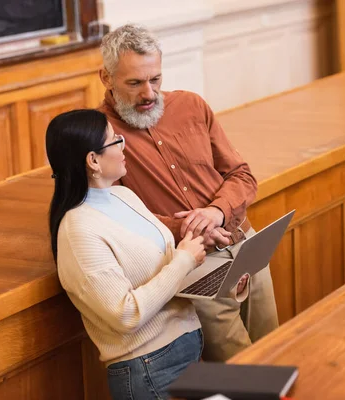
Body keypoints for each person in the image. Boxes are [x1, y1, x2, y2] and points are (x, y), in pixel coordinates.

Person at [96, 24, 279, 361]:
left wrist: (216, 212)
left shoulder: (192, 106)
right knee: (240, 371)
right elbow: (116, 218)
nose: (149, 93)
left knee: (275, 354)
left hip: (246, 244)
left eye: (155, 79)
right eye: (134, 83)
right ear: (106, 78)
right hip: (192, 264)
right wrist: (190, 229)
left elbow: (241, 174)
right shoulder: (98, 135)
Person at [46, 109, 247, 399]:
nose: (123, 143)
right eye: (115, 140)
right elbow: (125, 315)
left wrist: (221, 282)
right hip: (150, 368)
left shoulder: (123, 196)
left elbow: (165, 273)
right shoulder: (79, 231)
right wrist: (185, 259)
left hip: (186, 348)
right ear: (93, 160)